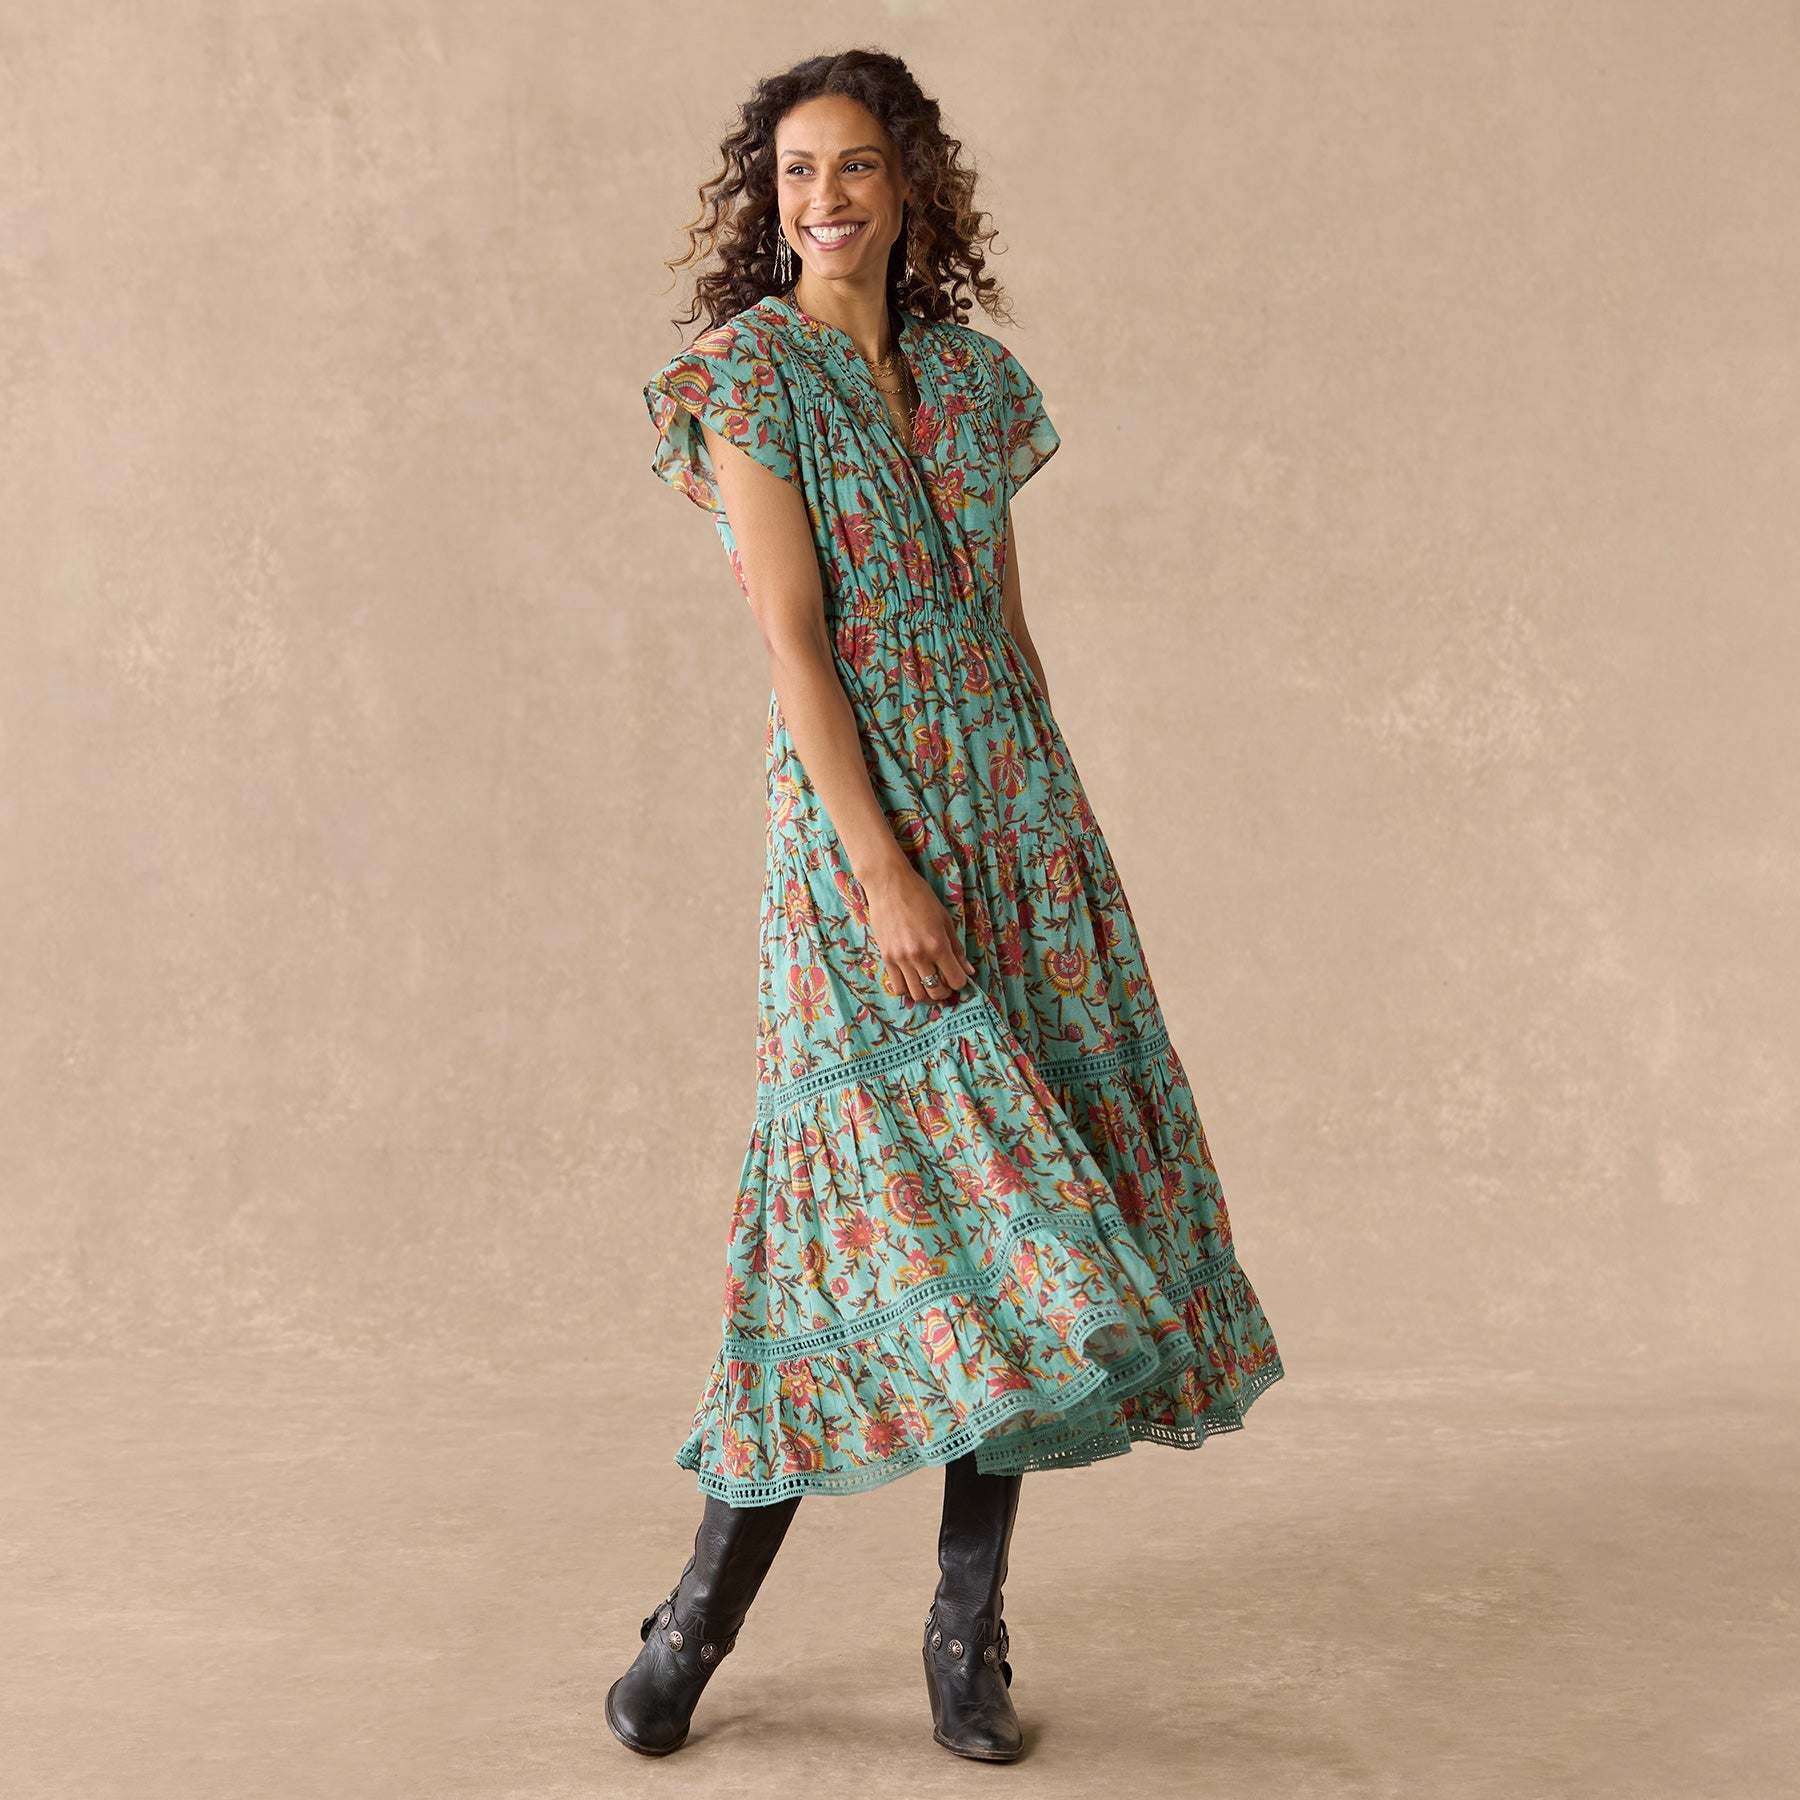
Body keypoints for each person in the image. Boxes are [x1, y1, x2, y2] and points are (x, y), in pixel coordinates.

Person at [609, 48, 1286, 1764]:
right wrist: (883, 866)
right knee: (844, 1236)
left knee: (1024, 1240)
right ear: (767, 201)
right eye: (794, 173)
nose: (822, 199)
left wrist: (1056, 836)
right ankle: (690, 1629)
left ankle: (963, 1638)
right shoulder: (745, 377)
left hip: (1015, 821)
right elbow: (793, 644)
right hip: (860, 842)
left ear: (910, 182)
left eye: (852, 165)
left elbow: (1001, 626)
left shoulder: (975, 385)